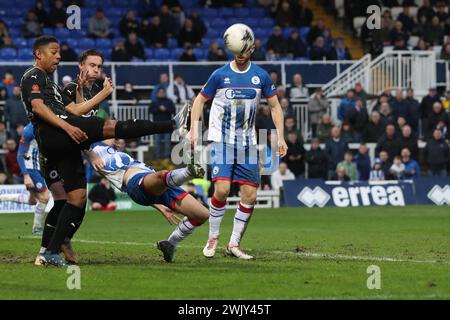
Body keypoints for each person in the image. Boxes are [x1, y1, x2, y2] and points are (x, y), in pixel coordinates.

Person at [21, 36, 186, 267]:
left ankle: (51, 251)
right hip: (55, 138)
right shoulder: (34, 75)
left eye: (99, 66)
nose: (59, 56)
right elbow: (40, 108)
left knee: (77, 199)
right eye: (54, 52)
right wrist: (74, 127)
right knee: (111, 127)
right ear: (39, 54)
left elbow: (76, 111)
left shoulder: (54, 85)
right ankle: (171, 125)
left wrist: (88, 107)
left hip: (69, 140)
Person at [187, 29, 288, 260]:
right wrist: (194, 128)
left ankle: (233, 243)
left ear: (252, 49)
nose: (240, 55)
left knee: (250, 195)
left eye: (244, 51)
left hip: (249, 144)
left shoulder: (261, 76)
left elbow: (275, 107)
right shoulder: (219, 75)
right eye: (237, 52)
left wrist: (280, 136)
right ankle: (213, 237)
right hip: (222, 141)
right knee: (221, 190)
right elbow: (199, 100)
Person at [84, 138, 207, 263]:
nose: (121, 140)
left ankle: (171, 244)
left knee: (202, 215)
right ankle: (188, 172)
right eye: (116, 137)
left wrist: (160, 207)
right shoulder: (92, 148)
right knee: (161, 175)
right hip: (135, 183)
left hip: (159, 184)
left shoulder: (118, 152)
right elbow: (80, 138)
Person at [0, 123, 50, 234]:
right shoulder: (30, 129)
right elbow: (20, 154)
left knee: (32, 201)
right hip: (31, 168)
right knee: (45, 197)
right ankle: (36, 228)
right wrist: (26, 176)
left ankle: (1, 198)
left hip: (36, 167)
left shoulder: (42, 126)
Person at [149, 88, 176, 159]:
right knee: (157, 141)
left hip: (167, 124)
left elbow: (173, 110)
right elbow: (150, 111)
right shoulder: (154, 102)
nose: (161, 93)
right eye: (160, 92)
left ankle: (167, 157)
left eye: (162, 92)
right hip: (157, 124)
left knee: (167, 141)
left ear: (165, 93)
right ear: (157, 93)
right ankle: (157, 157)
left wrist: (166, 109)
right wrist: (158, 109)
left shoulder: (169, 101)